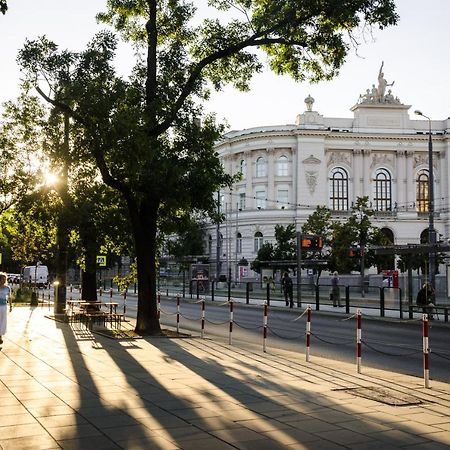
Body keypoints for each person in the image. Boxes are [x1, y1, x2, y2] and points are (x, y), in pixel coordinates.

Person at [0, 272, 11, 347]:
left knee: (3, 322)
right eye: (2, 279)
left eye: (5, 279)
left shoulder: (7, 288)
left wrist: (11, 306)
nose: (3, 281)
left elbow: (9, 298)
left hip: (4, 307)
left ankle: (0, 335)